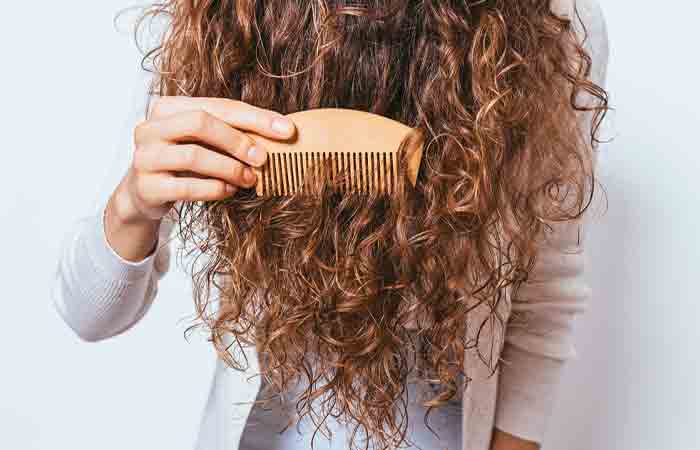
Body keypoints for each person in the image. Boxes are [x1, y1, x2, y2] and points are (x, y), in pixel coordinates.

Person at [51, 0, 609, 449]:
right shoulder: (212, 19)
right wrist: (131, 207)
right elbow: (88, 317)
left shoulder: (550, 27)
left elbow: (544, 295)